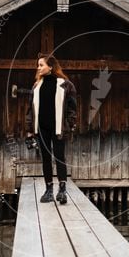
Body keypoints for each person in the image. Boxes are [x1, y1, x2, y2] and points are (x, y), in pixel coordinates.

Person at [25, 53, 77, 204]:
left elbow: (72, 108)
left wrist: (70, 124)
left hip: (59, 128)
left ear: (51, 67)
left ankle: (62, 190)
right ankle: (48, 190)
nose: (38, 67)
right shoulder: (36, 86)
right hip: (41, 128)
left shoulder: (65, 85)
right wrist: (29, 129)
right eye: (38, 65)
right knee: (46, 159)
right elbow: (30, 110)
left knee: (60, 157)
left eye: (41, 65)